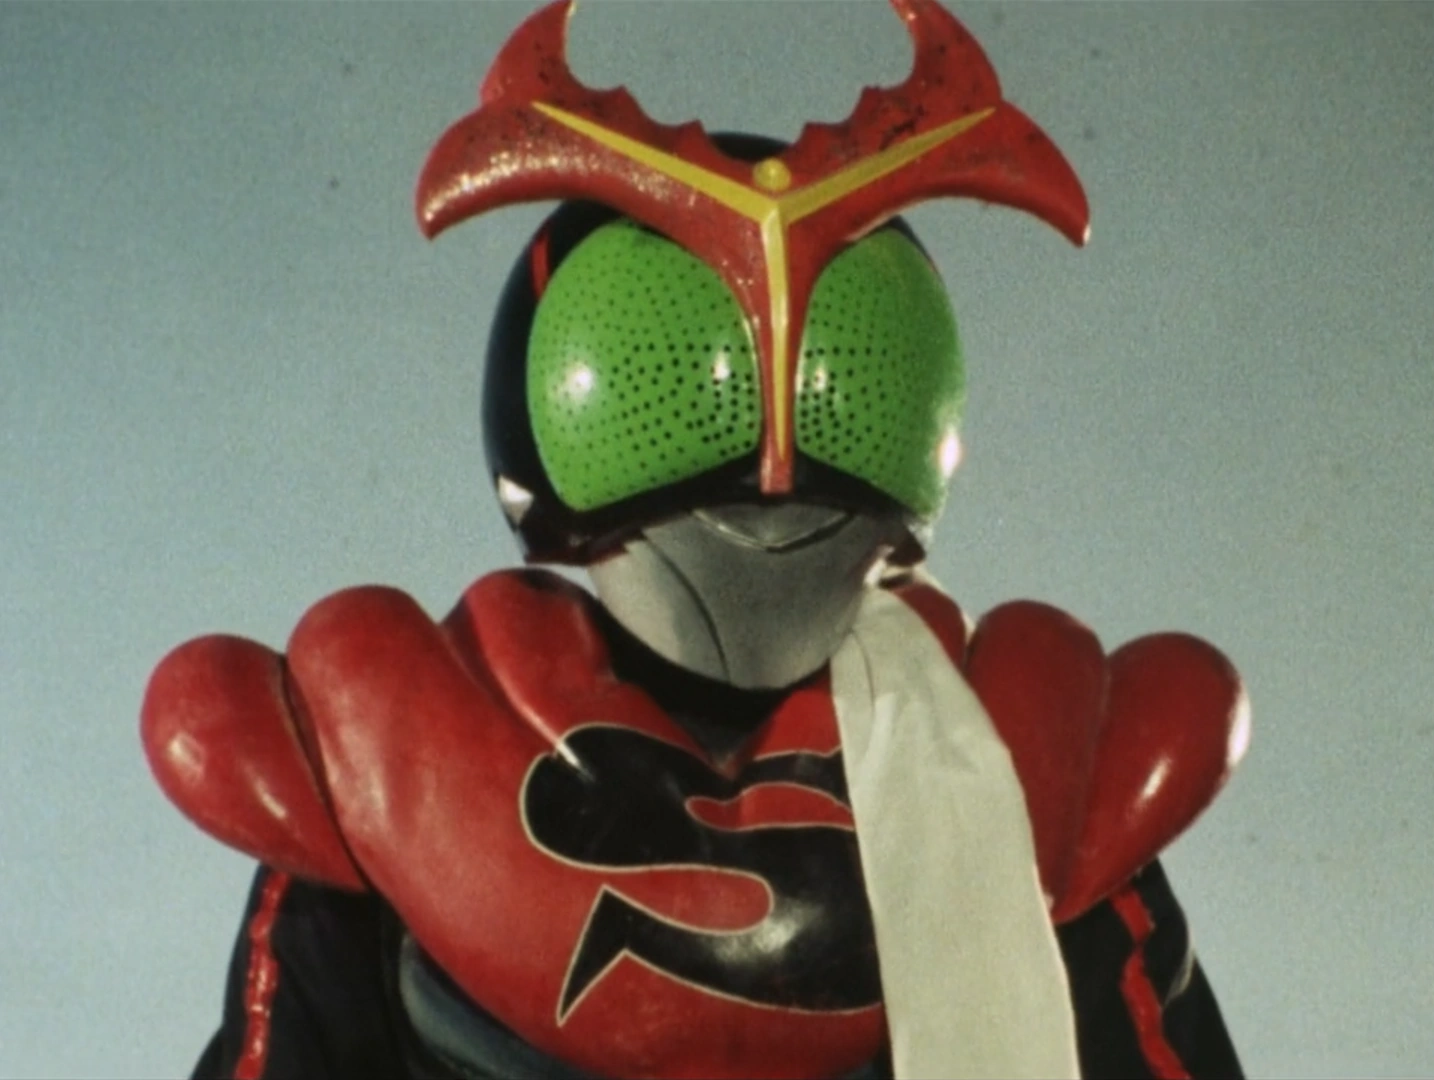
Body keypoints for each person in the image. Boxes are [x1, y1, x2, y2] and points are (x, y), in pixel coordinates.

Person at [144, 3, 1248, 1077]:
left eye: (844, 366)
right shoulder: (372, 764)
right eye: (670, 366)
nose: (771, 453)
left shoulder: (1025, 774)